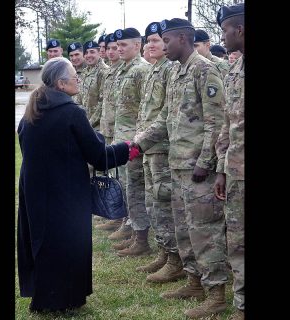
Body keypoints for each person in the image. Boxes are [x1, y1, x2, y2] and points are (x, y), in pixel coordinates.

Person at [17, 57, 131, 313]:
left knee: (43, 242)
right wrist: (129, 148)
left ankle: (45, 300)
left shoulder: (32, 110)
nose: (77, 79)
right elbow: (99, 157)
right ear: (61, 83)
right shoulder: (72, 112)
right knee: (69, 243)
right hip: (66, 193)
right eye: (74, 76)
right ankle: (65, 300)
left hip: (35, 190)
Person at [131, 18, 228, 318]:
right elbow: (164, 119)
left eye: (167, 41)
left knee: (205, 233)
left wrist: (205, 163)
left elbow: (216, 121)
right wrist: (136, 145)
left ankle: (217, 295)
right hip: (176, 164)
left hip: (197, 169)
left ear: (183, 39)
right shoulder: (176, 72)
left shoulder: (204, 69)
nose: (163, 46)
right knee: (184, 231)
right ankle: (193, 282)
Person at [133, 21, 185, 284]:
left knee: (164, 203)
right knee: (154, 202)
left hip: (163, 148)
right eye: (149, 41)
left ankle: (175, 260)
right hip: (149, 146)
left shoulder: (170, 70)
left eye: (156, 40)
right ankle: (165, 252)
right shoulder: (155, 70)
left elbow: (167, 116)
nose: (153, 45)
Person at [214, 3, 245, 320]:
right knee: (236, 241)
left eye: (225, 30)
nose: (222, 36)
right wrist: (222, 170)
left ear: (240, 30)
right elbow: (227, 123)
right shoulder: (235, 70)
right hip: (236, 171)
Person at [112, 27, 152, 257]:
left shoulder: (141, 70)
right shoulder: (123, 70)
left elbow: (144, 110)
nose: (119, 49)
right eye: (118, 46)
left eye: (123, 45)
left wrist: (137, 141)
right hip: (122, 139)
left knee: (136, 189)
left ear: (138, 45)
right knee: (127, 186)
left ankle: (141, 239)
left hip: (135, 141)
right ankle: (132, 230)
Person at [94, 32, 129, 235]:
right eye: (110, 48)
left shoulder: (137, 70)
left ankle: (129, 225)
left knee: (129, 184)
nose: (112, 51)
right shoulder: (114, 72)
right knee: (115, 178)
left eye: (116, 47)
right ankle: (116, 215)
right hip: (111, 130)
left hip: (129, 135)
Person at [80, 40, 109, 130]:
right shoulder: (85, 72)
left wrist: (89, 123)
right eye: (86, 53)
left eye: (92, 52)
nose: (88, 55)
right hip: (85, 123)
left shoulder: (104, 72)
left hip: (98, 126)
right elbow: (80, 98)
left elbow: (103, 103)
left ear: (99, 53)